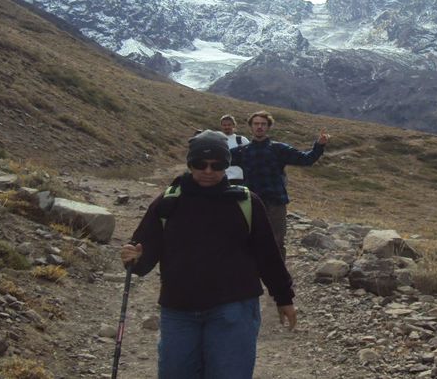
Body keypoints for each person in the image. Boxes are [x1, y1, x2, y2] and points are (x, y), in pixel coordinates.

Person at [120, 130, 296, 379]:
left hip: (235, 307)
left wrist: (283, 297)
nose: (209, 171)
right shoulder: (168, 202)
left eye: (218, 165)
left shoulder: (246, 202)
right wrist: (134, 259)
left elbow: (267, 255)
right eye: (200, 164)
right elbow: (143, 253)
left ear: (227, 165)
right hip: (179, 309)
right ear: (190, 163)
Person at [231, 110, 330, 260]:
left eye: (263, 124)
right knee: (249, 239)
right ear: (250, 126)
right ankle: (252, 277)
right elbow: (218, 160)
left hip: (275, 202)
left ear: (268, 127)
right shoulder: (241, 151)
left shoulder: (279, 149)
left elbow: (306, 159)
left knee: (277, 241)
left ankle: (279, 279)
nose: (259, 127)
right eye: (256, 124)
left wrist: (319, 146)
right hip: (251, 202)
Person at [219, 114, 249, 185]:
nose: (227, 127)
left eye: (229, 125)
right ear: (221, 126)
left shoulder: (241, 140)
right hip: (221, 179)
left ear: (234, 125)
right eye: (224, 125)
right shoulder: (217, 141)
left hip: (240, 179)